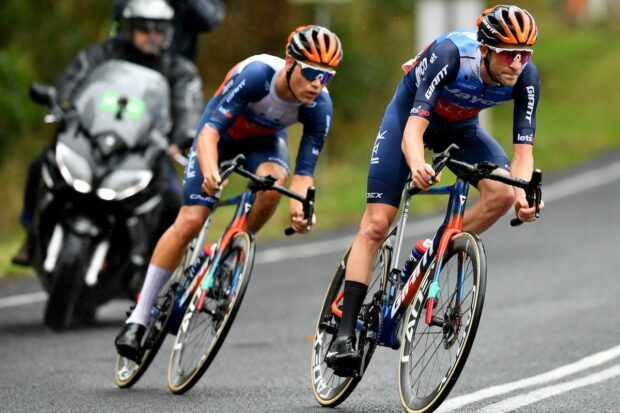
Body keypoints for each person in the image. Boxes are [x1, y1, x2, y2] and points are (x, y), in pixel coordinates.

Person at [327, 4, 545, 375]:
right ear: (486, 49)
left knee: (504, 194)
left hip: (461, 131)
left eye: (525, 54)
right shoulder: (451, 56)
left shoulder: (525, 77)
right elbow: (413, 132)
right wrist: (417, 166)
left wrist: (524, 193)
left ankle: (436, 249)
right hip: (410, 119)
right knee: (378, 224)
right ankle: (344, 334)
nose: (517, 63)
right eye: (509, 54)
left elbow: (523, 154)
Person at [114, 25, 343, 361]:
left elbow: (302, 176)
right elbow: (208, 133)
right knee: (191, 218)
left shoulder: (319, 105)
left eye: (327, 77)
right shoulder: (256, 75)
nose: (317, 84)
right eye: (311, 73)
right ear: (290, 62)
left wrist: (302, 209)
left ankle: (231, 249)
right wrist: (209, 172)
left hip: (264, 142)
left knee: (274, 182)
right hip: (219, 137)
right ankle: (140, 314)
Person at [11, 0, 204, 266]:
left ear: (168, 32)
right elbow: (71, 83)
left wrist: (184, 136)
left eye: (159, 29)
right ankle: (31, 235)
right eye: (144, 28)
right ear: (129, 27)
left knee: (173, 199)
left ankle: (152, 268)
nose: (152, 35)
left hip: (147, 151)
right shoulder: (101, 55)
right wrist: (62, 104)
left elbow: (188, 107)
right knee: (41, 166)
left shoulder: (179, 70)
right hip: (91, 140)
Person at [111, 0, 226, 61]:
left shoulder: (180, 73)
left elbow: (211, 19)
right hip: (128, 65)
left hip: (173, 69)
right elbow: (119, 16)